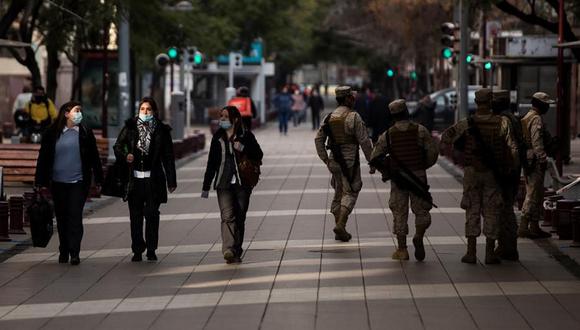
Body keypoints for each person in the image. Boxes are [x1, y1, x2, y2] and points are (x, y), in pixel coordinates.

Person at [440, 88, 518, 264]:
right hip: (492, 173)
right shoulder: (502, 122)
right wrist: (511, 168)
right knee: (492, 210)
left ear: (476, 102)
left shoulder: (467, 122)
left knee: (472, 209)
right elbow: (513, 148)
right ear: (491, 102)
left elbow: (446, 137)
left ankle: (471, 252)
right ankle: (490, 253)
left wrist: (452, 150)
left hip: (471, 172)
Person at [35, 101, 103, 265]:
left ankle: (74, 252)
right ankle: (63, 249)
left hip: (78, 182)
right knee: (62, 217)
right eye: (76, 110)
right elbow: (43, 158)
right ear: (66, 113)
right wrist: (40, 181)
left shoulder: (85, 132)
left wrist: (99, 179)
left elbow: (94, 156)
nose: (79, 113)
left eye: (80, 110)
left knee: (74, 216)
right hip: (58, 183)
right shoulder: (52, 133)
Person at [371, 99, 438, 261]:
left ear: (393, 116)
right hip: (418, 178)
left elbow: (374, 158)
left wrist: (387, 171)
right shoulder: (420, 130)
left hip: (399, 180)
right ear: (407, 112)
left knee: (399, 212)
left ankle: (402, 250)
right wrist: (422, 167)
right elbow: (433, 154)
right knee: (422, 210)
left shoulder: (387, 135)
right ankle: (419, 236)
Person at [114, 97, 177, 262]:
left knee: (152, 215)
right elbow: (118, 146)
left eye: (148, 109)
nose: (145, 112)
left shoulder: (162, 130)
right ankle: (137, 249)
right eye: (142, 109)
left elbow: (168, 157)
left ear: (154, 112)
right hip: (134, 180)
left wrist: (171, 181)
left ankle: (151, 249)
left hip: (153, 180)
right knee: (135, 217)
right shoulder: (130, 127)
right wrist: (125, 155)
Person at [202, 106, 263, 264]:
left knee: (240, 217)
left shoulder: (246, 135)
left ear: (235, 119)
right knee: (227, 216)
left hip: (243, 183)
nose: (221, 119)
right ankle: (228, 249)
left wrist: (241, 147)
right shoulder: (218, 137)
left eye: (225, 117)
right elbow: (211, 163)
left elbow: (258, 154)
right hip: (223, 183)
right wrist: (206, 185)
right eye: (220, 116)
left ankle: (237, 249)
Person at [314, 86, 374, 242]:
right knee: (351, 192)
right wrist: (372, 162)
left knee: (339, 193)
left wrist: (326, 159)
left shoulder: (328, 117)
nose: (354, 100)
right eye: (352, 97)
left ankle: (340, 230)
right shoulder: (354, 117)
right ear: (347, 99)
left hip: (334, 162)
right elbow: (364, 142)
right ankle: (341, 224)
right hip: (350, 163)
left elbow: (318, 139)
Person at [518, 92, 556, 239]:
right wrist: (542, 158)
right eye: (546, 104)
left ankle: (534, 226)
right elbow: (537, 142)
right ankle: (524, 225)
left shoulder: (527, 116)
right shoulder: (536, 119)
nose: (548, 107)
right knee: (533, 193)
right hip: (534, 160)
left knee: (537, 192)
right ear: (541, 104)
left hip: (528, 159)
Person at [491, 90, 522, 260]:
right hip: (511, 171)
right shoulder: (513, 118)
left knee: (504, 210)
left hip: (506, 171)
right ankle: (507, 245)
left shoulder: (504, 120)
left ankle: (507, 247)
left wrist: (510, 169)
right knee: (506, 208)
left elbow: (513, 147)